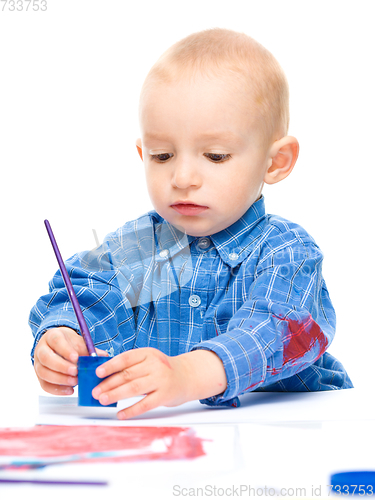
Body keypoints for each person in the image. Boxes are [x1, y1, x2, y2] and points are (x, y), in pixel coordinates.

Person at [29, 28, 353, 420]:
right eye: (162, 155)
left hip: (296, 433)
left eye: (215, 156)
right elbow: (88, 295)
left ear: (276, 161)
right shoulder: (140, 247)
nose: (182, 177)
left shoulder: (286, 251)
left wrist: (187, 374)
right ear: (142, 153)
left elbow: (278, 331)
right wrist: (63, 338)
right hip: (172, 445)